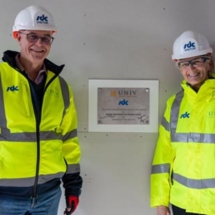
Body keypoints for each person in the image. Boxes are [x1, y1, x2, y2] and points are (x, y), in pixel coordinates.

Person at [0, 5, 82, 215]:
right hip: (5, 197)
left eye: (46, 38)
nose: (39, 44)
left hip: (48, 196)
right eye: (32, 36)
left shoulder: (61, 87)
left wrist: (72, 185)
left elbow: (69, 140)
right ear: (18, 36)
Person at [150, 30, 215, 215]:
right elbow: (163, 157)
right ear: (178, 67)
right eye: (185, 63)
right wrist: (160, 201)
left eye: (196, 61)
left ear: (209, 62)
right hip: (182, 204)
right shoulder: (174, 104)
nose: (191, 69)